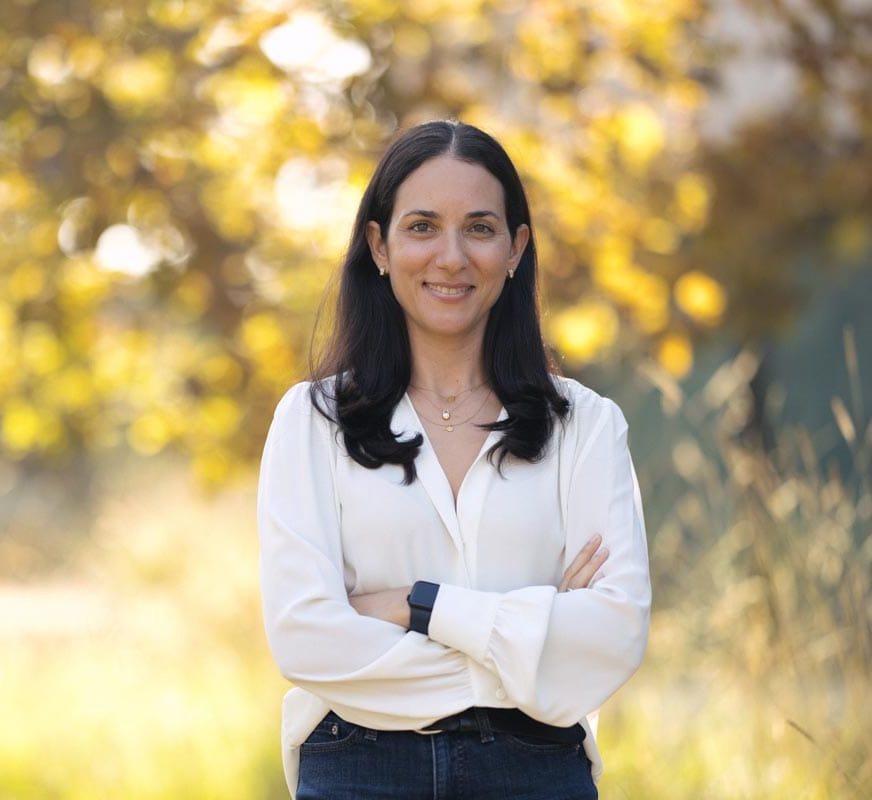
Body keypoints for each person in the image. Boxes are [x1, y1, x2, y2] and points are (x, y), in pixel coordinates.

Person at [256, 120, 651, 800]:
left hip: (538, 773)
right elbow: (305, 636)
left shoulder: (586, 426)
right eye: (421, 227)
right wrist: (534, 636)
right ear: (378, 245)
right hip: (360, 770)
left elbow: (612, 635)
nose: (450, 256)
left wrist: (418, 606)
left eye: (478, 227)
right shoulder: (311, 422)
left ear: (515, 248)